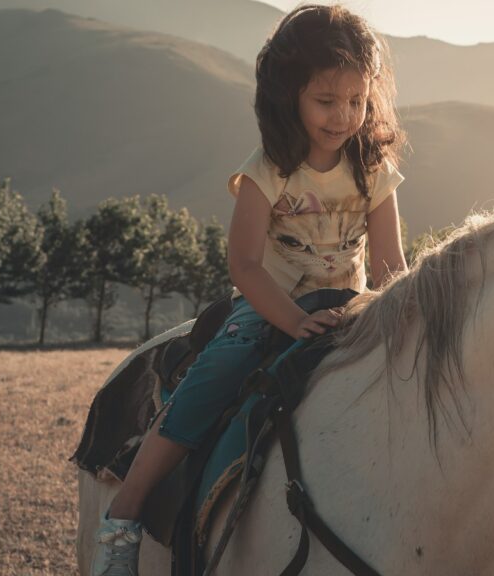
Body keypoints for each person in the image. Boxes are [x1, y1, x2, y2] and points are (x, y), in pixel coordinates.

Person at [91, 5, 408, 574]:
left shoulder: (374, 172)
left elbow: (390, 265)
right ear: (289, 96)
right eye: (326, 100)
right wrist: (291, 321)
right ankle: (126, 512)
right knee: (215, 376)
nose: (344, 116)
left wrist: (399, 318)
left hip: (351, 308)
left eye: (357, 101)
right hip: (270, 308)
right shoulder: (267, 172)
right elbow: (245, 266)